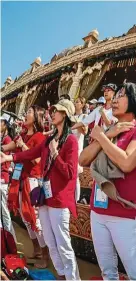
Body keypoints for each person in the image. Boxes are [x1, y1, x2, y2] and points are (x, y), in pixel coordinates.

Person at [79, 82, 136, 280]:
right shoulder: (110, 129)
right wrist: (108, 134)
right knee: (107, 271)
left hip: (125, 214)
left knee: (135, 273)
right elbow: (83, 159)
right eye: (116, 94)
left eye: (122, 95)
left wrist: (102, 137)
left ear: (135, 102)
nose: (116, 99)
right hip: (98, 210)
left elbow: (127, 163)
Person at [1, 99, 80, 280]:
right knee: (51, 243)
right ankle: (61, 276)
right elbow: (30, 154)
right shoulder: (50, 139)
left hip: (59, 200)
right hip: (45, 198)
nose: (52, 114)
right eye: (52, 111)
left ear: (66, 115)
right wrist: (9, 158)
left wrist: (54, 153)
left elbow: (69, 172)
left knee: (63, 244)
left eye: (57, 111)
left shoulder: (71, 141)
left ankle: (73, 278)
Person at [2, 106, 49, 268]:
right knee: (25, 218)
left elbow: (37, 161)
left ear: (37, 116)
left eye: (29, 112)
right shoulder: (21, 135)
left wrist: (22, 146)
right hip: (20, 179)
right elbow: (7, 149)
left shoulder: (40, 137)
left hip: (33, 181)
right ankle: (36, 249)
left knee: (35, 219)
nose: (26, 114)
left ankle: (45, 255)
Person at [0, 115, 17, 257]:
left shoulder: (7, 140)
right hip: (2, 179)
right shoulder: (4, 139)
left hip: (3, 179)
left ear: (5, 124)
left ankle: (11, 245)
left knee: (5, 214)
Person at [73, 97, 88, 202]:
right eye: (75, 102)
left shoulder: (84, 116)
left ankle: (76, 200)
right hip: (69, 147)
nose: (75, 103)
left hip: (78, 147)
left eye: (77, 102)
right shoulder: (71, 116)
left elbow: (85, 131)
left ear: (82, 104)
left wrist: (77, 123)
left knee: (76, 177)